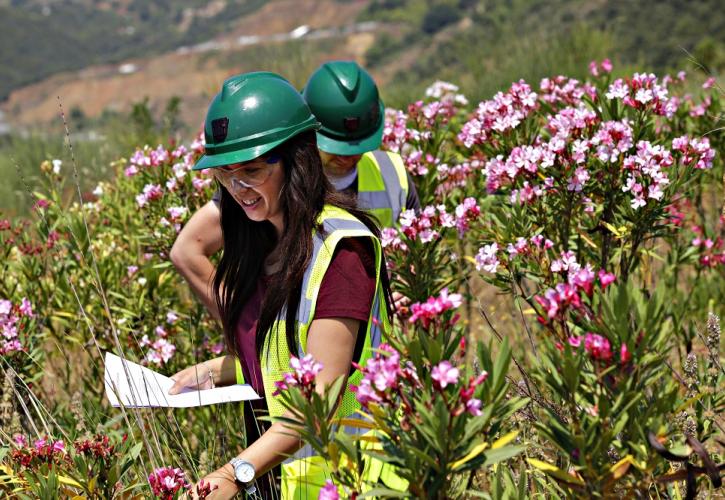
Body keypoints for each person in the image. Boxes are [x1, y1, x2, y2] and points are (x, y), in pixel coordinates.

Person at [168, 72, 394, 499]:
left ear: (297, 159)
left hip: (350, 481)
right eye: (225, 174)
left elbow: (319, 395)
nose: (238, 188)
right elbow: (288, 360)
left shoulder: (342, 250)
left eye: (252, 170)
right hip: (287, 481)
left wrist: (232, 476)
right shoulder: (263, 243)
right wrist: (216, 370)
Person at [169, 60, 419, 320]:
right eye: (335, 147)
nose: (347, 156)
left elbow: (416, 255)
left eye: (357, 147)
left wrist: (406, 288)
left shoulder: (393, 174)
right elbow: (187, 250)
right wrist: (244, 327)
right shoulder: (269, 183)